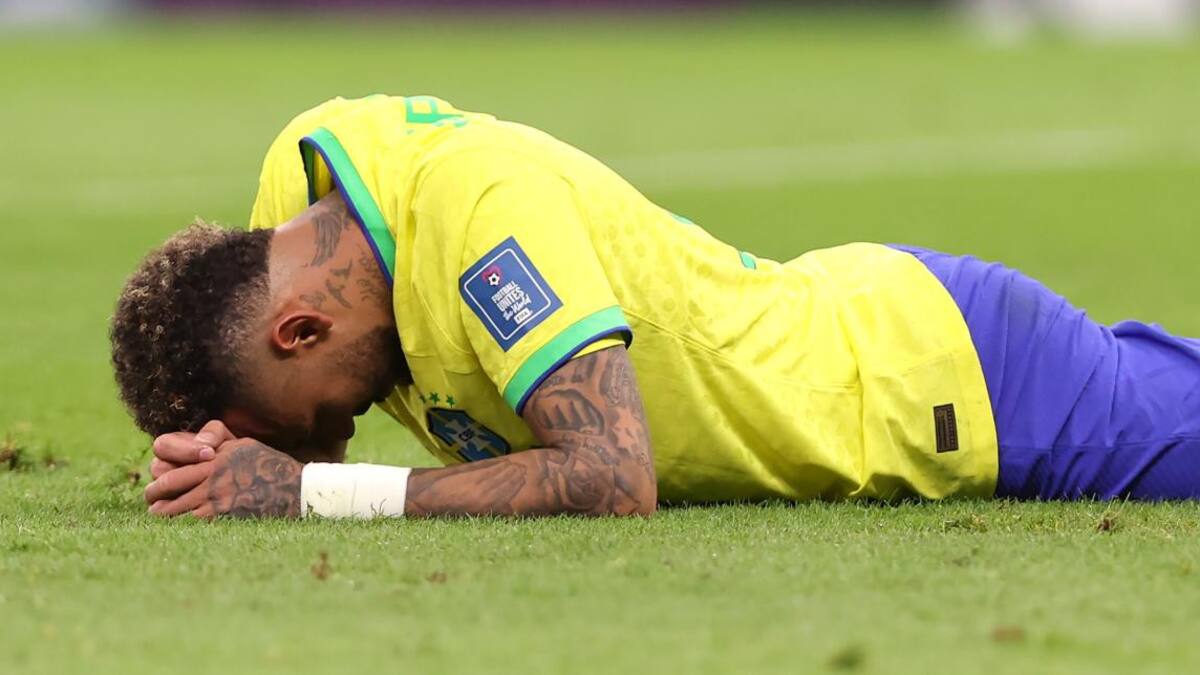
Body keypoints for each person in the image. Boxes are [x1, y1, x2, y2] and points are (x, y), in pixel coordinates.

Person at [111, 95, 1200, 520]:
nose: (343, 432)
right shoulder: (292, 215)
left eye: (324, 419)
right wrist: (224, 453)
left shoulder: (480, 219)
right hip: (881, 327)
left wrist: (313, 491)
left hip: (947, 386)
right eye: (325, 438)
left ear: (299, 330)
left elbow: (611, 478)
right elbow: (210, 318)